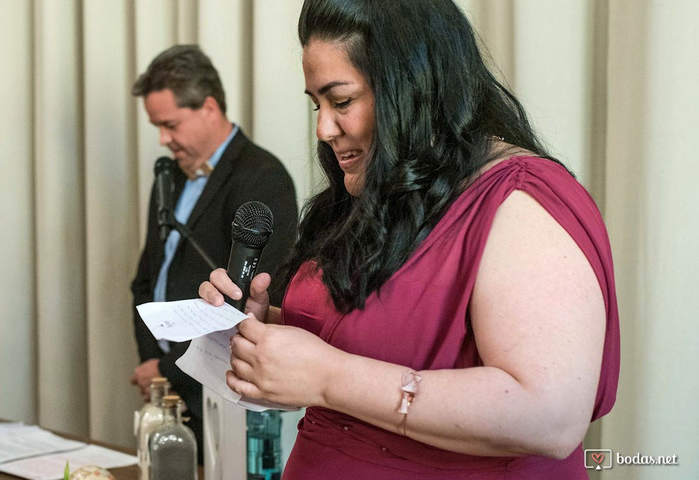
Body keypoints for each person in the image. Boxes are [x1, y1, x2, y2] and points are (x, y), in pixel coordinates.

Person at [199, 0, 619, 478]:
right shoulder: (389, 192)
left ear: (413, 88)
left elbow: (550, 416)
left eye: (341, 101)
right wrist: (267, 332)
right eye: (317, 104)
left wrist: (327, 377)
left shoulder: (520, 199)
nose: (323, 128)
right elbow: (384, 339)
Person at [130, 45, 299, 462]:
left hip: (218, 387)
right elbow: (148, 277)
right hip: (165, 387)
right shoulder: (167, 176)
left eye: (170, 125)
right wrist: (154, 363)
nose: (163, 139)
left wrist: (167, 370)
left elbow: (254, 294)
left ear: (208, 107)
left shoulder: (263, 176)